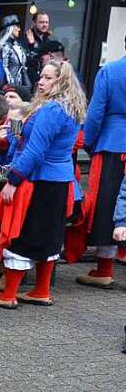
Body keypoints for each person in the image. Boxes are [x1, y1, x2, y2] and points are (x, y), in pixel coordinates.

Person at [0, 60, 86, 308]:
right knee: (50, 236)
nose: (41, 81)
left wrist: (12, 180)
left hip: (40, 180)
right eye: (41, 76)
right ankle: (41, 290)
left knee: (25, 234)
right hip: (61, 181)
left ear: (61, 81)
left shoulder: (51, 110)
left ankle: (8, 294)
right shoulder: (71, 108)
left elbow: (35, 151)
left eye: (48, 78)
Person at [77, 40, 126, 287]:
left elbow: (95, 113)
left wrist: (90, 142)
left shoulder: (110, 71)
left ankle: (104, 269)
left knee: (107, 206)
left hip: (112, 143)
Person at [0, 15, 30, 88]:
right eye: (17, 26)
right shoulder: (4, 47)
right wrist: (11, 86)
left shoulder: (17, 46)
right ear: (10, 28)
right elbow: (4, 68)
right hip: (9, 87)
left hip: (19, 86)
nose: (19, 29)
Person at [24, 11, 52, 85]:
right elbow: (25, 61)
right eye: (41, 22)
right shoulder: (26, 39)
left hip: (43, 80)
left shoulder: (48, 40)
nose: (45, 25)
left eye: (47, 22)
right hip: (29, 80)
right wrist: (32, 45)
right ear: (34, 23)